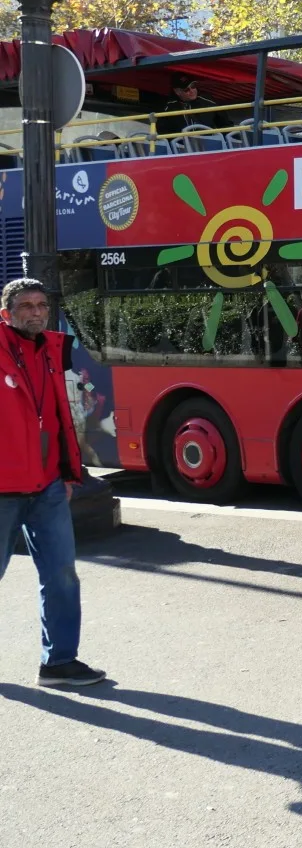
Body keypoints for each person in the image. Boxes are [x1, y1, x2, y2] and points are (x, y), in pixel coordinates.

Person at [0, 278, 106, 688]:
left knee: (62, 575)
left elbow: (59, 415)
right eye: (26, 306)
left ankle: (59, 662)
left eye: (41, 305)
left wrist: (67, 472)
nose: (36, 312)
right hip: (4, 487)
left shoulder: (51, 350)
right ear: (7, 313)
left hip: (48, 486)